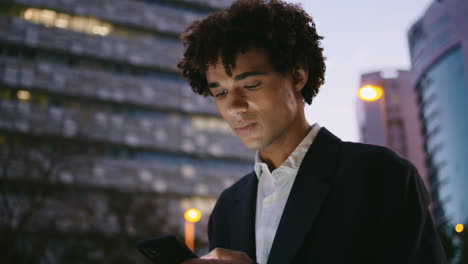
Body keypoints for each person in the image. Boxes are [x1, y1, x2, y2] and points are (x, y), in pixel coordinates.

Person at [177, 0, 447, 263]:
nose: (234, 106)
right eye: (220, 92)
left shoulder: (380, 174)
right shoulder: (227, 207)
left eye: (251, 85)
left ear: (297, 76)